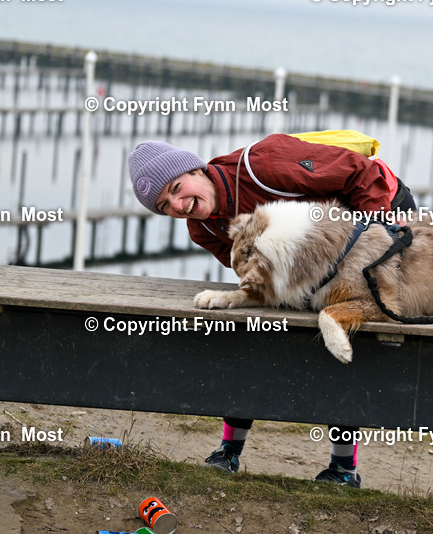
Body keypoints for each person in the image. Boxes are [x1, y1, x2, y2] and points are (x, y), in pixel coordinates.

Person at [128, 133, 417, 488]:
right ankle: (228, 451)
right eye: (163, 205)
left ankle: (343, 468)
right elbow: (255, 280)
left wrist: (379, 238)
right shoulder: (201, 227)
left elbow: (360, 172)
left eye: (176, 187)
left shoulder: (264, 165)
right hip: (315, 256)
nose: (177, 204)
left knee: (342, 329)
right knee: (253, 332)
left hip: (378, 212)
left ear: (196, 169)